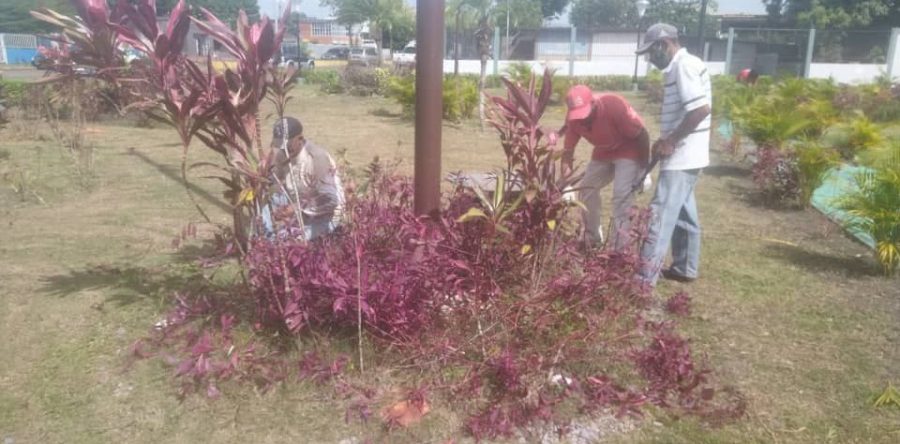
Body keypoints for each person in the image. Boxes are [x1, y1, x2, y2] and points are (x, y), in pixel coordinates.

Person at [635, 23, 712, 285]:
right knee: (684, 214)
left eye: (651, 52)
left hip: (682, 156)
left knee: (659, 216)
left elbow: (701, 109)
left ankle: (643, 280)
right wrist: (666, 138)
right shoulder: (680, 66)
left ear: (664, 44)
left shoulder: (684, 65)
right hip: (687, 155)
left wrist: (672, 141)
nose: (649, 58)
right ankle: (685, 267)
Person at [559, 85, 651, 249]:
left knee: (621, 196)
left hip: (628, 149)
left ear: (593, 103)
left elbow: (642, 135)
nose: (582, 119)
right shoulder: (573, 120)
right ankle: (592, 237)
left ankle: (619, 248)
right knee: (586, 189)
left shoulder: (613, 106)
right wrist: (567, 184)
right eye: (577, 115)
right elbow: (567, 152)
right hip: (603, 151)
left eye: (584, 114)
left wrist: (644, 170)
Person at [261, 116, 344, 240]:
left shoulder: (316, 159)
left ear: (299, 139)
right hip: (298, 203)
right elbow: (274, 180)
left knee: (290, 238)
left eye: (287, 145)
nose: (283, 150)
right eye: (280, 146)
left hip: (326, 216)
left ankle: (274, 242)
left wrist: (296, 209)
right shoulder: (283, 155)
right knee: (264, 200)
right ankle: (265, 237)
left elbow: (331, 201)